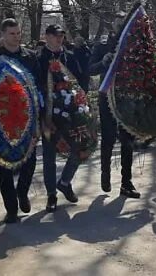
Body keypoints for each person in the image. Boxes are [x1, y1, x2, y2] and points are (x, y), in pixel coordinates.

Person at [0, 18, 40, 223]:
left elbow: (38, 86)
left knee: (30, 160)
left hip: (28, 118)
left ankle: (22, 191)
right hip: (3, 120)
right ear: (3, 35)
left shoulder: (30, 57)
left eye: (18, 33)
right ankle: (11, 209)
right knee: (5, 165)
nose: (17, 37)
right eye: (12, 33)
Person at [89, 12, 140, 198]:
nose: (121, 26)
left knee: (127, 141)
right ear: (114, 25)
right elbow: (90, 68)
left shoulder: (134, 46)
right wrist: (103, 62)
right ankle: (105, 174)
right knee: (109, 138)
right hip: (107, 96)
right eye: (119, 23)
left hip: (127, 98)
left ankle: (126, 182)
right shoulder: (103, 45)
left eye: (124, 23)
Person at [38, 24, 87, 212]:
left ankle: (65, 181)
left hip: (71, 114)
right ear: (47, 36)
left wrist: (81, 103)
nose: (60, 39)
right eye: (56, 35)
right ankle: (51, 195)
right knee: (49, 156)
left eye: (62, 35)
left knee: (81, 148)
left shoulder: (70, 57)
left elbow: (81, 81)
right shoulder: (39, 58)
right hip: (48, 116)